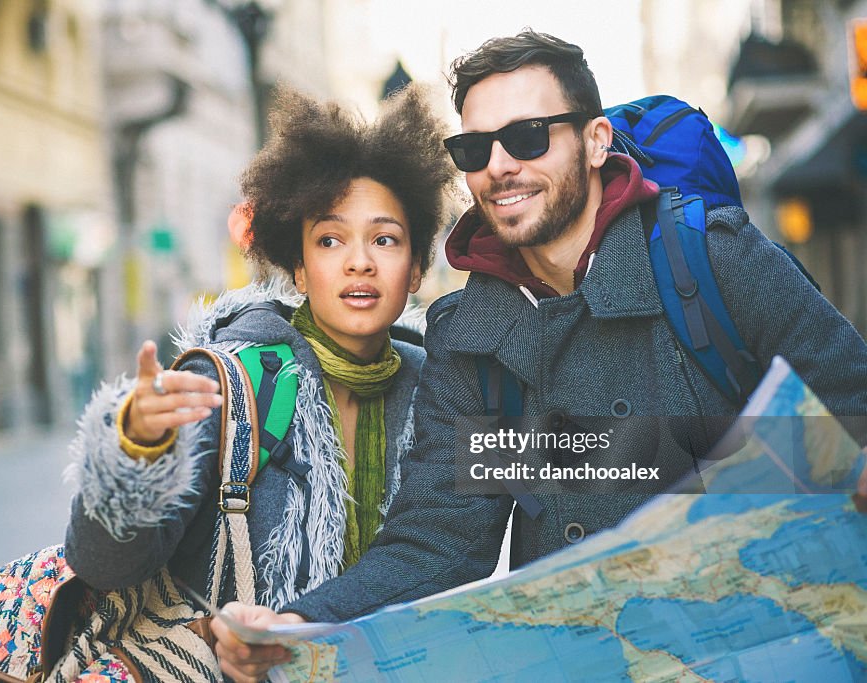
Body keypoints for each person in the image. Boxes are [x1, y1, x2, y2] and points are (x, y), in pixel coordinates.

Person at [215, 28, 867, 682]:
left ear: (594, 142)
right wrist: (303, 622)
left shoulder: (706, 260)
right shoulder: (474, 336)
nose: (499, 165)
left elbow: (853, 406)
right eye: (475, 148)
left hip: (768, 648)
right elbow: (442, 537)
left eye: (528, 136)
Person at [62, 85, 455, 678]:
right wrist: (136, 449)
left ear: (417, 266)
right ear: (298, 266)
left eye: (385, 239)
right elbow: (105, 566)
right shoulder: (230, 383)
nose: (359, 262)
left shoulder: (438, 388)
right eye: (329, 240)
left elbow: (446, 553)